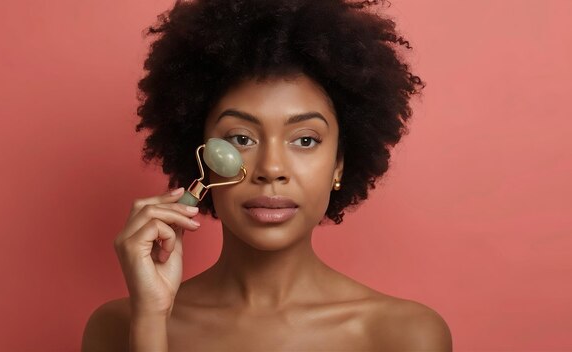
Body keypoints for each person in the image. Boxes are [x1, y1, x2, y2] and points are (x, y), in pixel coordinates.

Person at [82, 0, 452, 350]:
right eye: (241, 138)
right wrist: (151, 320)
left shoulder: (404, 336)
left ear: (339, 163)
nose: (271, 169)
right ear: (204, 157)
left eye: (305, 140)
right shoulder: (119, 326)